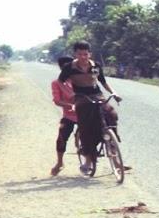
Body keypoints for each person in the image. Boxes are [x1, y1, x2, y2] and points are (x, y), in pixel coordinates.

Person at [61, 41, 122, 174]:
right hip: (81, 97)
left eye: (86, 54)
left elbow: (103, 82)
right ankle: (88, 160)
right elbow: (61, 82)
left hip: (97, 95)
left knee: (110, 115)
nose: (83, 57)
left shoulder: (95, 66)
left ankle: (115, 157)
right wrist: (69, 94)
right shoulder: (69, 68)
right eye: (80, 54)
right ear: (75, 54)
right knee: (86, 126)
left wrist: (114, 93)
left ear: (90, 54)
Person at [50, 55, 77, 176]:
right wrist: (69, 105)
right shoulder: (57, 83)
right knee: (61, 136)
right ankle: (60, 162)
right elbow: (56, 100)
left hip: (86, 112)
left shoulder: (81, 79)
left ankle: (116, 160)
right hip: (70, 115)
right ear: (61, 68)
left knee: (106, 127)